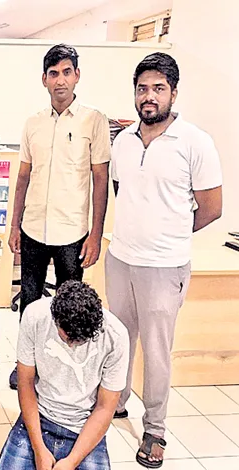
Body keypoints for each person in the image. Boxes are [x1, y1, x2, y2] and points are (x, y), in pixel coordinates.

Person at [105, 52, 222, 468]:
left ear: (174, 92)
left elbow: (212, 208)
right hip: (120, 258)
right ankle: (115, 402)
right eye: (142, 89)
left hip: (164, 266)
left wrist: (170, 232)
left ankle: (154, 429)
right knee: (118, 340)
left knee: (156, 352)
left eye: (158, 88)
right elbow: (122, 190)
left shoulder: (194, 142)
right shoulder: (123, 140)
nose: (149, 97)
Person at [7, 44, 111, 390]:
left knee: (71, 307)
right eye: (54, 74)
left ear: (77, 76)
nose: (60, 80)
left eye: (67, 72)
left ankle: (68, 371)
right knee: (29, 304)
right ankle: (26, 366)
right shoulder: (33, 124)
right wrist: (15, 225)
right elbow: (23, 177)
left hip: (73, 233)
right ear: (44, 79)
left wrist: (96, 234)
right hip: (34, 229)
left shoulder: (93, 121)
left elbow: (100, 180)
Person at [0, 281, 129, 470]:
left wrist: (72, 461)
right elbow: (25, 383)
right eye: (67, 338)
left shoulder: (116, 336)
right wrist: (38, 448)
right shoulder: (35, 315)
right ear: (55, 318)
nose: (72, 345)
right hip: (40, 415)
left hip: (84, 425)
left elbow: (105, 408)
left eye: (80, 341)